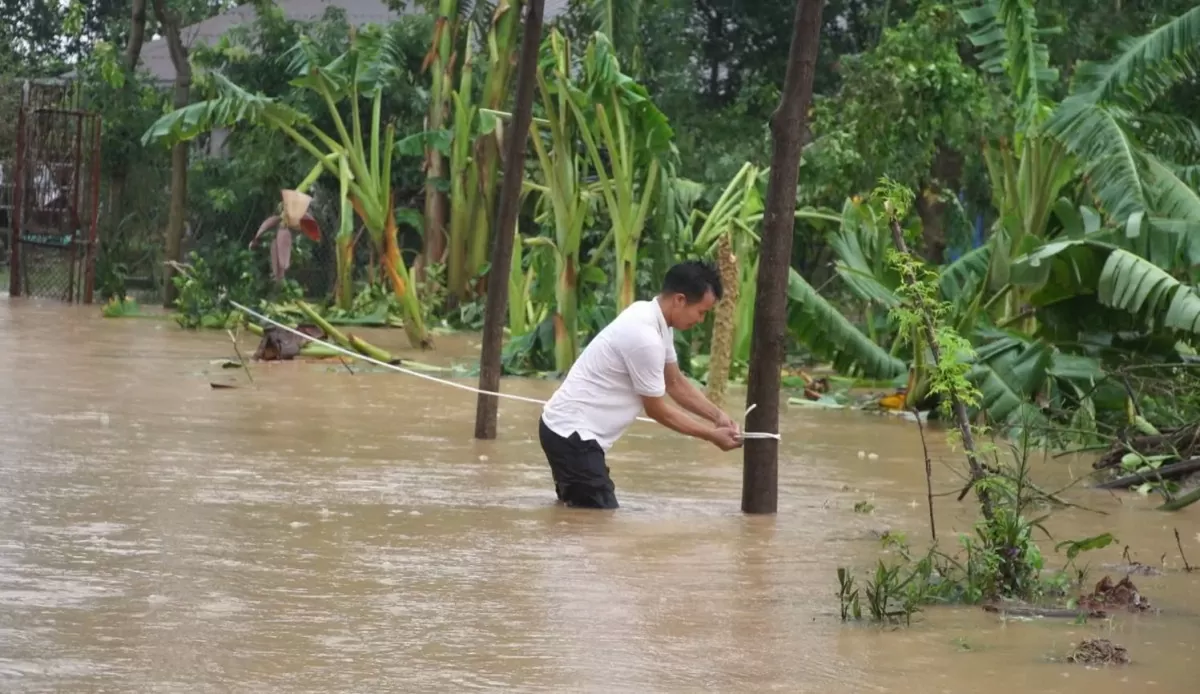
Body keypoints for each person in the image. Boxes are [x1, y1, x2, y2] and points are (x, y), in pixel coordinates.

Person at [538, 260, 743, 509]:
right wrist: (711, 435)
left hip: (566, 431)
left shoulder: (653, 318)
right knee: (599, 525)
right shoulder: (644, 337)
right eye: (701, 312)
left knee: (579, 520)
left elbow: (675, 382)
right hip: (572, 434)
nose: (701, 320)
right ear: (679, 300)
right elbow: (657, 410)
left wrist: (717, 416)